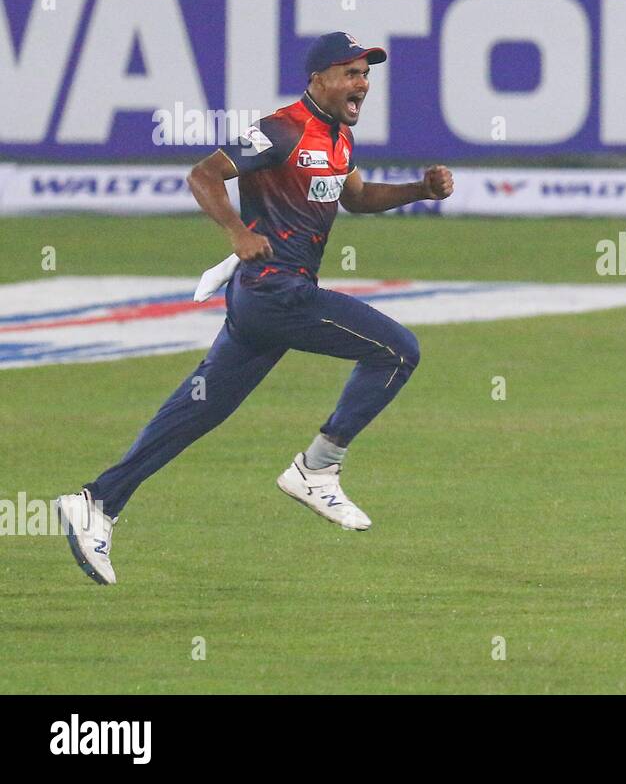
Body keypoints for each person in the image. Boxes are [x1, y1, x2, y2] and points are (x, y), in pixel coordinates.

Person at [58, 32, 454, 585]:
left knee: (200, 409)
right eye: (351, 73)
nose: (362, 84)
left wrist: (419, 191)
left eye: (366, 74)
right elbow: (203, 174)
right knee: (397, 351)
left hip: (265, 299)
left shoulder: (339, 136)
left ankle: (96, 502)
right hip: (276, 292)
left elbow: (356, 198)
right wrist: (237, 232)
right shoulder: (282, 128)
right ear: (318, 79)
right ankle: (317, 468)